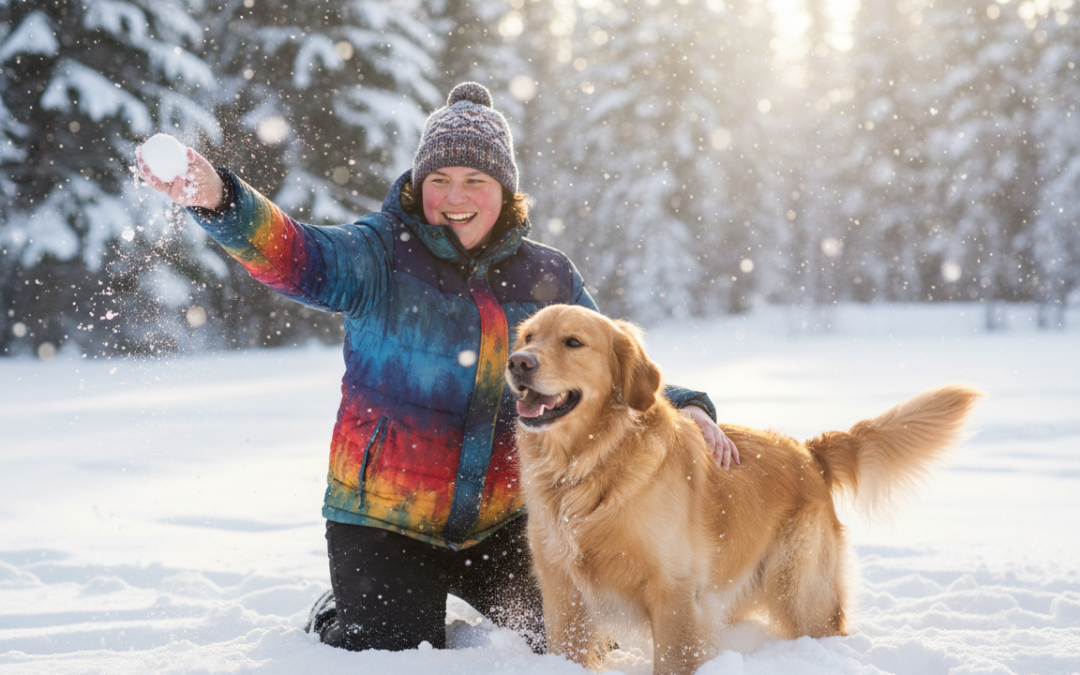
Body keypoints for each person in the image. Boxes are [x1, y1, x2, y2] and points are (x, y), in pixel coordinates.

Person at [137, 81, 739, 653]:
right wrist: (222, 199)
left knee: (576, 639)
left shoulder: (547, 274)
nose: (455, 198)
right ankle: (339, 609)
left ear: (504, 190)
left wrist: (683, 404)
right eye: (440, 180)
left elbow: (603, 362)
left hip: (506, 520)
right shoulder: (379, 251)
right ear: (419, 184)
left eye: (476, 180)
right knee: (390, 648)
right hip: (387, 519)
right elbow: (299, 255)